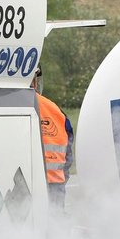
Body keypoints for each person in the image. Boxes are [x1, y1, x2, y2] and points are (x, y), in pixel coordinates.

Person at [31, 65, 74, 213]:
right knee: (55, 230)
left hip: (22, 187)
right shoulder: (55, 110)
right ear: (35, 80)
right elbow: (68, 155)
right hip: (55, 187)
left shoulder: (6, 105)